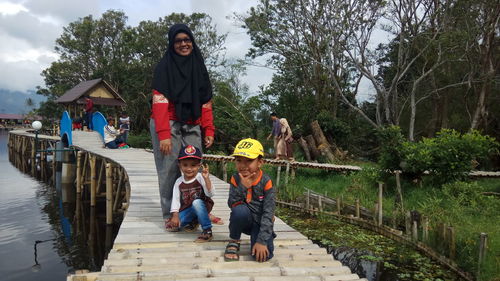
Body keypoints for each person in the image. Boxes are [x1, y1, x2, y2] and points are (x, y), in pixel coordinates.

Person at [150, 23, 215, 231]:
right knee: (169, 169)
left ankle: (200, 211)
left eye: (187, 40)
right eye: (178, 41)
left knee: (194, 166)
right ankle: (171, 214)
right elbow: (159, 102)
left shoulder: (199, 68)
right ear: (172, 44)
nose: (183, 44)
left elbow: (206, 102)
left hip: (193, 122)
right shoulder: (164, 67)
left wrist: (209, 129)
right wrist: (164, 135)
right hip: (167, 122)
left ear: (192, 43)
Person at [224, 138, 275, 262]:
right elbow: (232, 203)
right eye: (239, 160)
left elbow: (268, 213)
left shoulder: (266, 182)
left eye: (249, 161)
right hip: (244, 220)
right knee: (238, 211)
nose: (243, 165)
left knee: (263, 256)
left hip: (260, 221)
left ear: (260, 162)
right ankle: (234, 240)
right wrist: (243, 187)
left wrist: (262, 241)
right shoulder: (236, 178)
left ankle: (264, 236)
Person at [169, 145, 214, 242]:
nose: (189, 169)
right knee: (175, 224)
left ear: (199, 166)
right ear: (179, 165)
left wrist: (206, 179)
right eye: (185, 165)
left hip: (203, 205)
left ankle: (207, 230)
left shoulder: (200, 177)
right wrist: (175, 216)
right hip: (189, 208)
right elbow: (175, 200)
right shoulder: (179, 182)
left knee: (197, 202)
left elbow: (210, 194)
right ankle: (196, 220)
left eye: (193, 165)